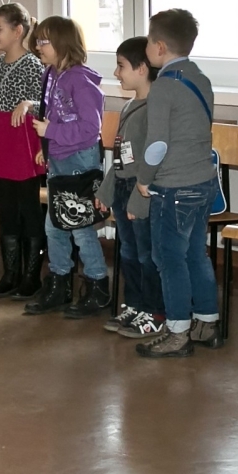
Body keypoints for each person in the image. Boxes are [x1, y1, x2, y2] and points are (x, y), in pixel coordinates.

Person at [136, 9, 221, 359]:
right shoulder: (200, 77)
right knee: (195, 254)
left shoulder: (163, 87)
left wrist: (144, 179)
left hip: (174, 187)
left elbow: (157, 144)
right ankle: (206, 323)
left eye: (148, 41)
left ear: (158, 47)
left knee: (168, 258)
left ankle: (177, 331)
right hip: (203, 182)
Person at [25, 16, 109, 317]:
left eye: (44, 41)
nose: (38, 46)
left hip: (79, 160)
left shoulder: (80, 80)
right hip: (59, 159)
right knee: (55, 226)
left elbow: (90, 129)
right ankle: (60, 283)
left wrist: (52, 133)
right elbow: (54, 116)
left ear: (63, 44)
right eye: (37, 40)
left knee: (81, 227)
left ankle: (98, 285)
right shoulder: (51, 74)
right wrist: (46, 147)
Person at [0, 4, 47, 300]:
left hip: (25, 142)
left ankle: (32, 277)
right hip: (2, 141)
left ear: (17, 31)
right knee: (6, 210)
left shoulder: (34, 64)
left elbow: (46, 105)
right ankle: (10, 274)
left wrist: (28, 104)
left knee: (29, 210)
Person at [101, 37, 163, 340]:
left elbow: (152, 161)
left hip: (142, 193)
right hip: (123, 189)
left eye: (121, 66)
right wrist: (106, 191)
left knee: (147, 255)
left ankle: (155, 312)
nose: (116, 73)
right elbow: (118, 157)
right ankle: (135, 305)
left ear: (141, 69)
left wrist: (139, 198)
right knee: (128, 251)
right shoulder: (128, 106)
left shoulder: (155, 110)